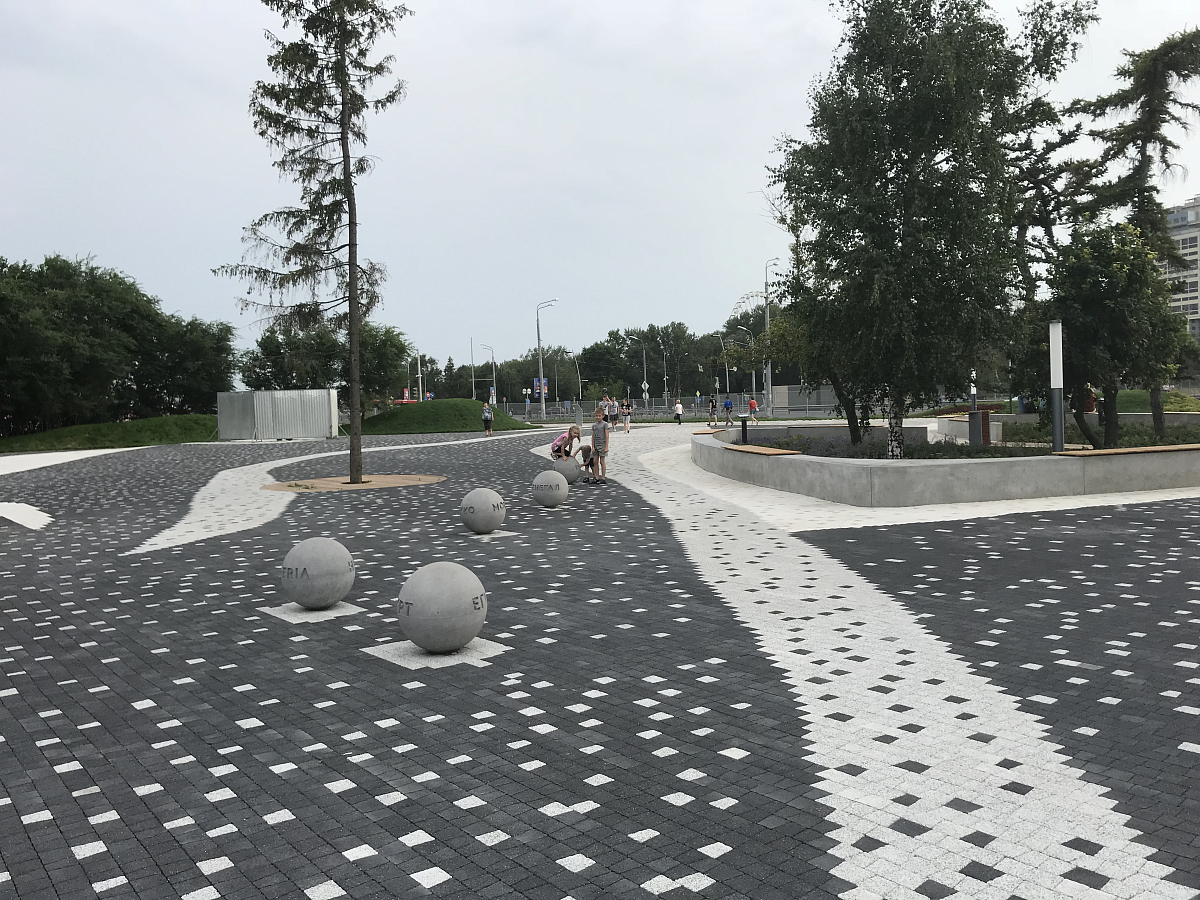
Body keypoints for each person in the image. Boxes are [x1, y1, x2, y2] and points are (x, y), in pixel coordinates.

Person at [590, 406, 609, 484]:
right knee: (595, 461)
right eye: (596, 416)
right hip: (596, 445)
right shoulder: (594, 425)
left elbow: (607, 436)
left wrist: (606, 447)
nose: (597, 417)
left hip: (602, 445)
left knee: (602, 461)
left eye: (599, 416)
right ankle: (596, 477)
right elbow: (593, 436)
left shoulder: (605, 424)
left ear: (603, 416)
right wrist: (592, 446)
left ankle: (603, 477)